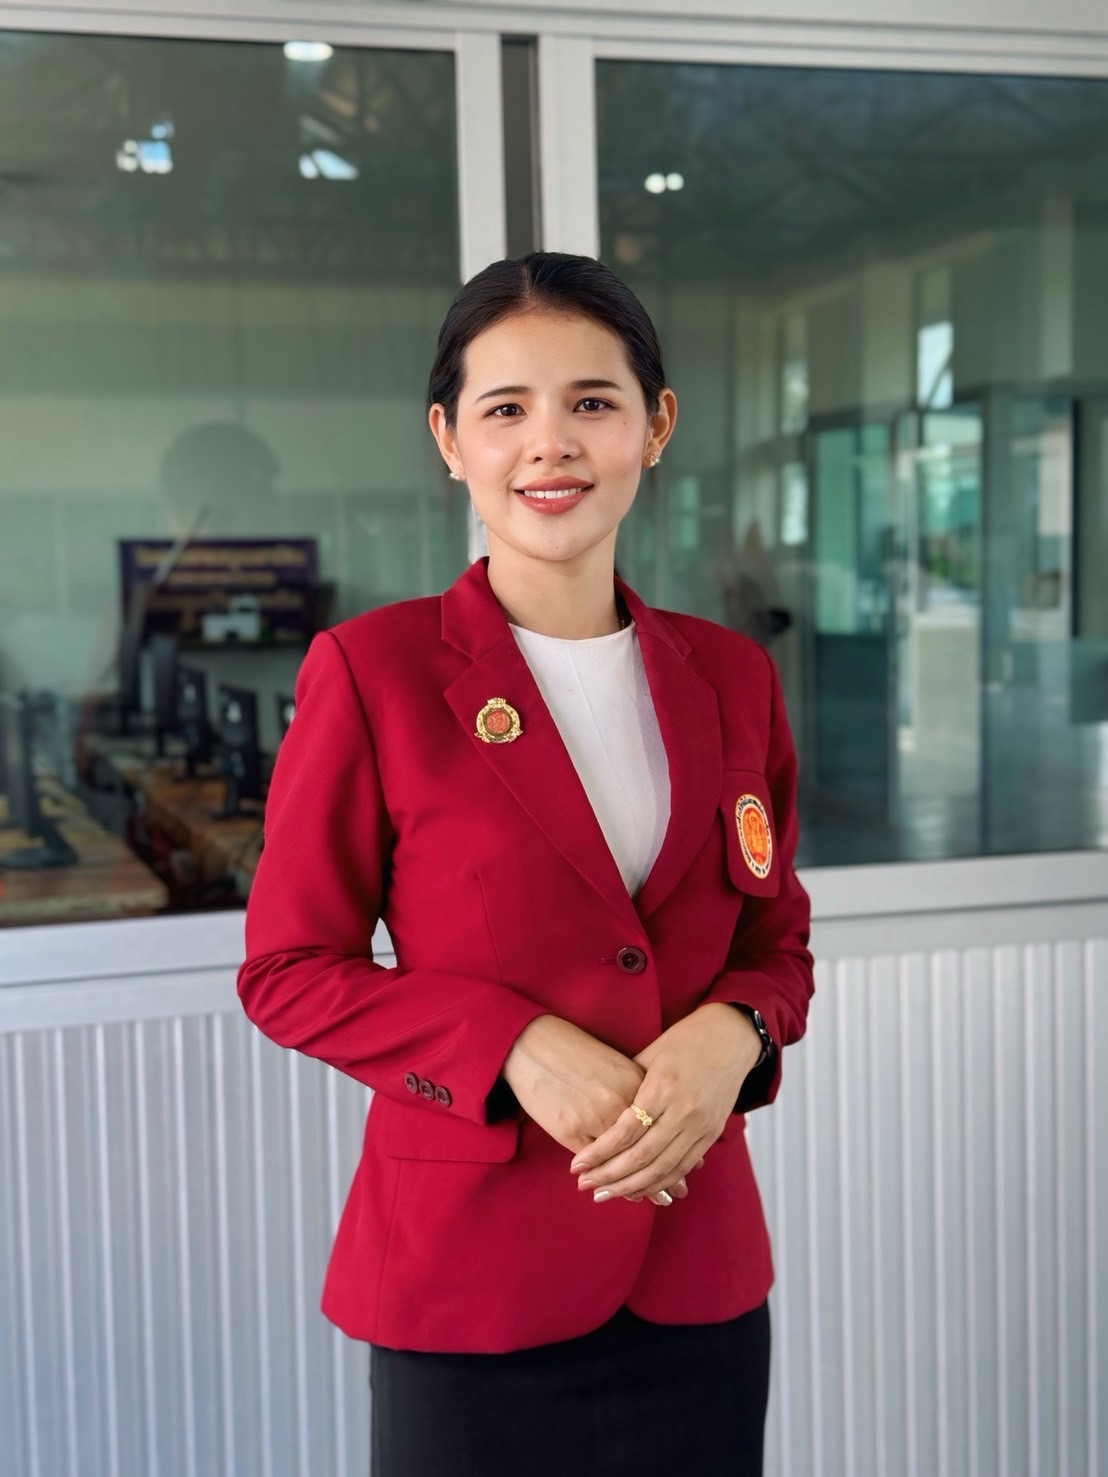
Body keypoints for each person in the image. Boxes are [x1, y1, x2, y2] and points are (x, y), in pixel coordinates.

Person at [237, 252, 814, 1477]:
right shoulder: (373, 673)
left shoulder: (732, 676)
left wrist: (738, 1033)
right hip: (469, 1288)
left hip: (696, 1279)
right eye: (506, 408)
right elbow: (288, 971)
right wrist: (508, 1044)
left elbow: (777, 943)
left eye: (592, 402)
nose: (550, 442)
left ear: (654, 426)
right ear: (450, 440)